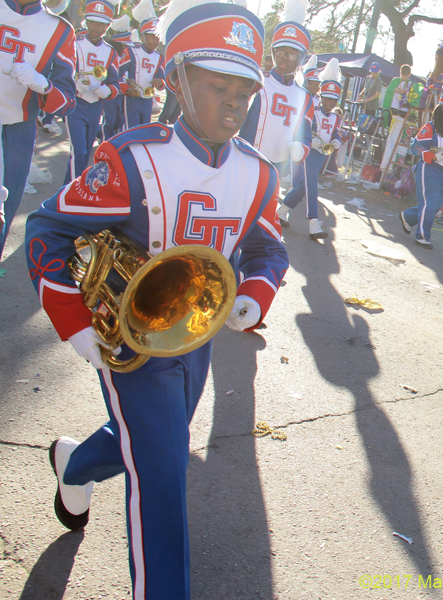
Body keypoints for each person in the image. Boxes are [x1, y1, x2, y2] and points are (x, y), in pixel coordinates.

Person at [26, 1, 288, 597]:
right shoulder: (132, 157)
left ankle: (73, 464)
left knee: (148, 440)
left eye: (243, 90)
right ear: (175, 80)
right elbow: (47, 229)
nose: (233, 103)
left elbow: (269, 250)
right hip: (129, 335)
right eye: (217, 85)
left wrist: (254, 293)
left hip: (196, 335)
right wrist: (72, 320)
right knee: (164, 475)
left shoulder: (259, 172)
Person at [0, 0, 76, 261]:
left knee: (5, 214)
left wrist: (44, 85)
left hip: (20, 130)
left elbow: (67, 102)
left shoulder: (60, 29)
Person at [239, 0, 314, 183]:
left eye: (291, 55)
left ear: (301, 59)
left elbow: (305, 135)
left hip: (276, 168)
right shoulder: (256, 81)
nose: (283, 59)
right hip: (244, 158)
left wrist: (302, 148)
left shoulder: (305, 97)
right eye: (279, 52)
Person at [399, 73, 443, 249]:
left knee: (436, 205)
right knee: (429, 202)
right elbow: (416, 146)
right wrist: (429, 155)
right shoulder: (431, 127)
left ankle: (408, 216)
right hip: (429, 168)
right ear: (442, 110)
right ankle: (422, 236)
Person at [279, 58, 342, 239]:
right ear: (321, 98)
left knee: (303, 187)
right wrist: (310, 140)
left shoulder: (336, 118)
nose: (329, 103)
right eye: (327, 99)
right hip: (310, 152)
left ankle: (281, 211)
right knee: (312, 188)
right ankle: (314, 224)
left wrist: (336, 142)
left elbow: (335, 134)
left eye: (333, 100)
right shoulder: (312, 112)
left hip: (322, 155)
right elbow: (301, 129)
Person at [64, 0, 121, 184]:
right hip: (75, 103)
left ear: (107, 26)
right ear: (86, 22)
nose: (97, 27)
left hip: (96, 106)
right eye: (93, 22)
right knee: (78, 151)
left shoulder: (110, 52)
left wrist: (107, 90)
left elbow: (115, 85)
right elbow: (59, 72)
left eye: (102, 24)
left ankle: (68, 188)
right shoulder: (74, 43)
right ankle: (73, 192)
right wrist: (73, 84)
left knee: (86, 152)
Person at [119, 1, 165, 128]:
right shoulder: (131, 51)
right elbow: (116, 74)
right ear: (142, 36)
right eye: (151, 37)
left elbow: (163, 81)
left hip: (147, 100)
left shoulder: (159, 58)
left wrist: (160, 82)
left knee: (143, 131)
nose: (154, 41)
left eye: (157, 38)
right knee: (130, 131)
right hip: (131, 99)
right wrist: (127, 89)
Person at [424, 44, 443, 114]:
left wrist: (442, 93)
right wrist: (430, 87)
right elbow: (430, 79)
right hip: (432, 96)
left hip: (442, 99)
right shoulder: (436, 69)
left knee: (438, 116)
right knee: (430, 115)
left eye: (437, 57)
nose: (435, 59)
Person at [356, 62, 383, 134]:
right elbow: (365, 88)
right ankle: (360, 138)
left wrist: (366, 100)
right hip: (364, 104)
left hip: (372, 106)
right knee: (362, 122)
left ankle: (367, 140)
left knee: (369, 124)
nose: (373, 74)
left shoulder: (379, 81)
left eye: (375, 73)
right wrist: (361, 95)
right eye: (372, 72)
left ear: (379, 72)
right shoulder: (368, 78)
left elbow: (377, 94)